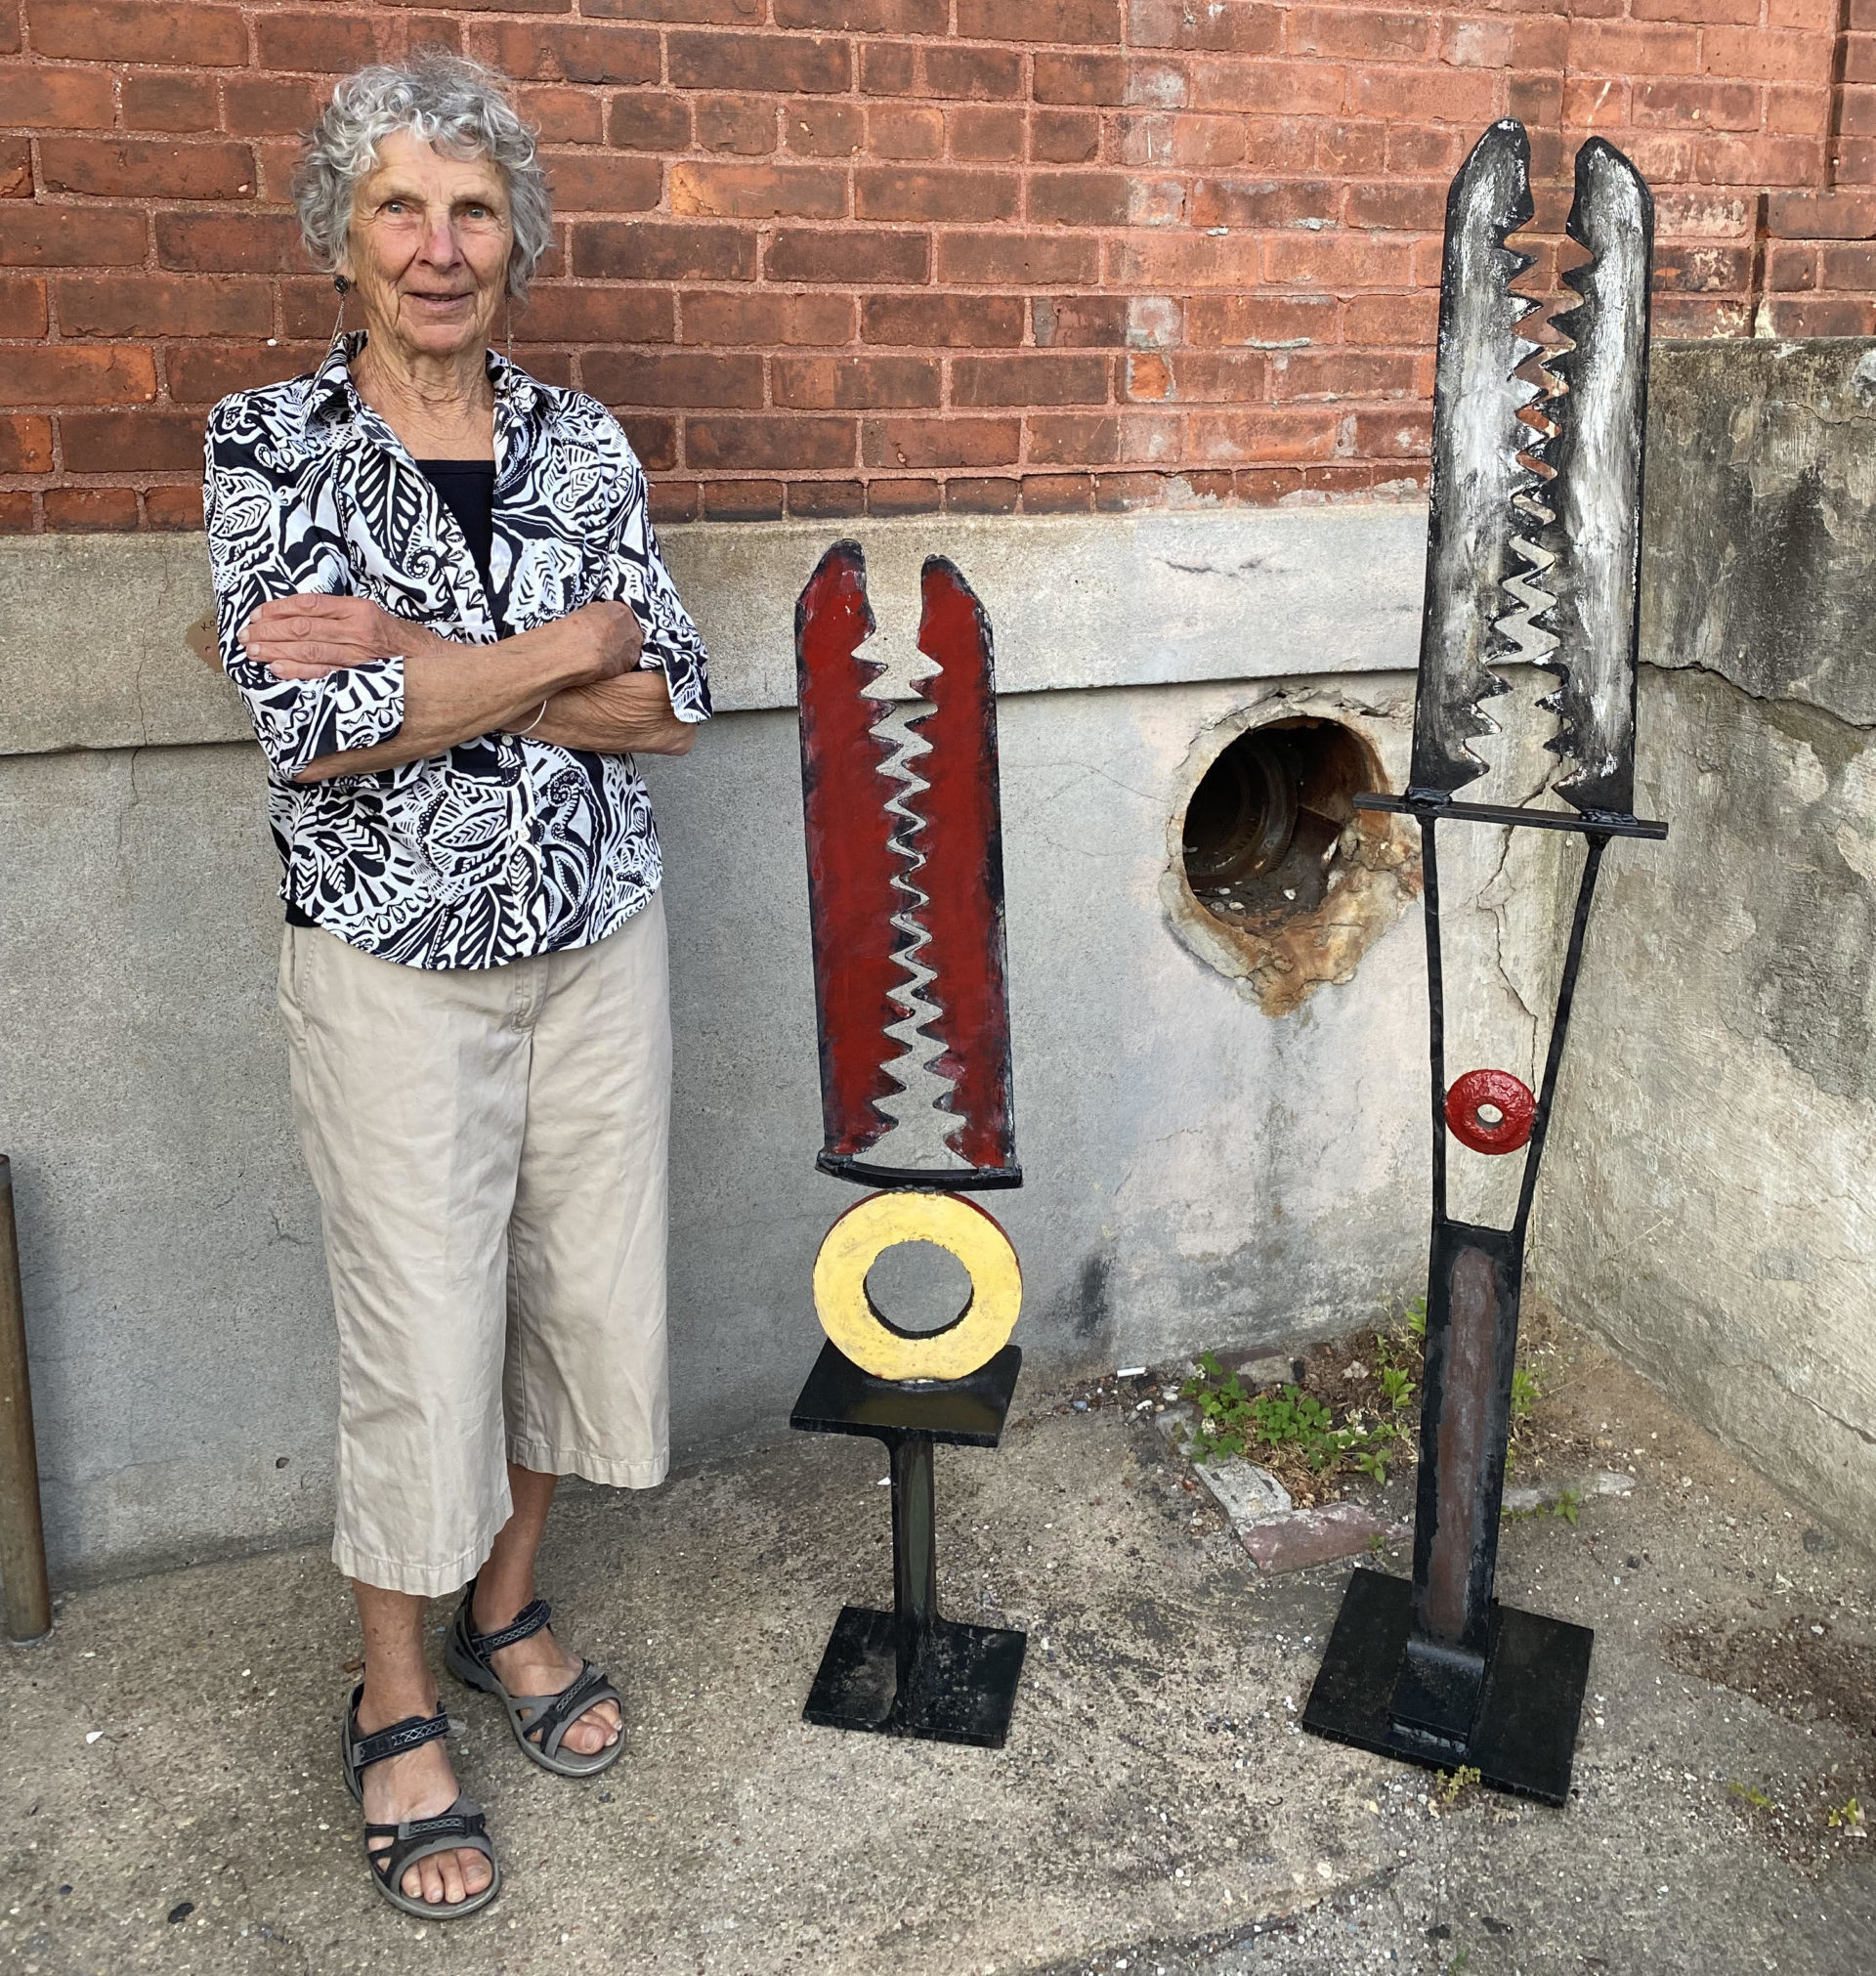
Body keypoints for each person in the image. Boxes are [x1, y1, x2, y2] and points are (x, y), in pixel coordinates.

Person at [201, 52, 708, 1920]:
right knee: (419, 1325)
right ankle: (396, 1696)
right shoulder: (269, 445)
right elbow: (313, 730)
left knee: (574, 1292)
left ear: (521, 242)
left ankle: (507, 1610)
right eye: (402, 207)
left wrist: (434, 656)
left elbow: (666, 703)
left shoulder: (584, 442)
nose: (440, 246)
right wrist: (553, 640)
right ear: (342, 236)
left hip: (596, 941)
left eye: (474, 209)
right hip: (391, 970)